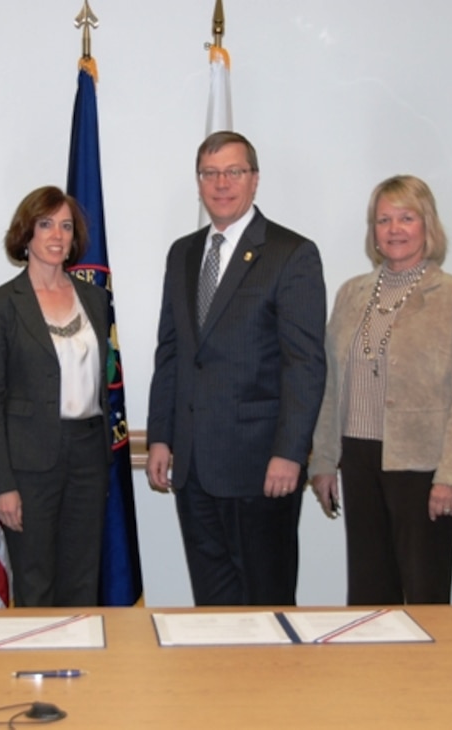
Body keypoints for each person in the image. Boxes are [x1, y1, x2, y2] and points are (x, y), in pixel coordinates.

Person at [146, 131, 326, 606]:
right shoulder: (182, 253)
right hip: (193, 467)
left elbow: (305, 364)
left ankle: (274, 684)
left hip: (261, 465)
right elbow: (172, 352)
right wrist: (161, 436)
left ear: (255, 180)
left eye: (234, 172)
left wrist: (291, 452)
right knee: (213, 604)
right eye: (210, 173)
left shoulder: (291, 254)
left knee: (266, 600)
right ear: (199, 182)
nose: (221, 183)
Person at [310, 175, 452, 605]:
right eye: (383, 219)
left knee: (425, 593)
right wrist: (324, 459)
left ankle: (426, 676)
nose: (394, 229)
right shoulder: (352, 293)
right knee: (369, 592)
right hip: (359, 459)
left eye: (406, 218)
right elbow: (330, 383)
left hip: (424, 466)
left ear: (428, 225)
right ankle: (374, 674)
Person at [0, 186, 111, 607]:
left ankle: (81, 667)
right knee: (35, 581)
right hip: (29, 464)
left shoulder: (93, 297)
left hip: (88, 454)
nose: (57, 235)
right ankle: (36, 668)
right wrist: (4, 484)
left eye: (66, 226)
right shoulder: (2, 304)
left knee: (83, 578)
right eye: (46, 224)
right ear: (26, 234)